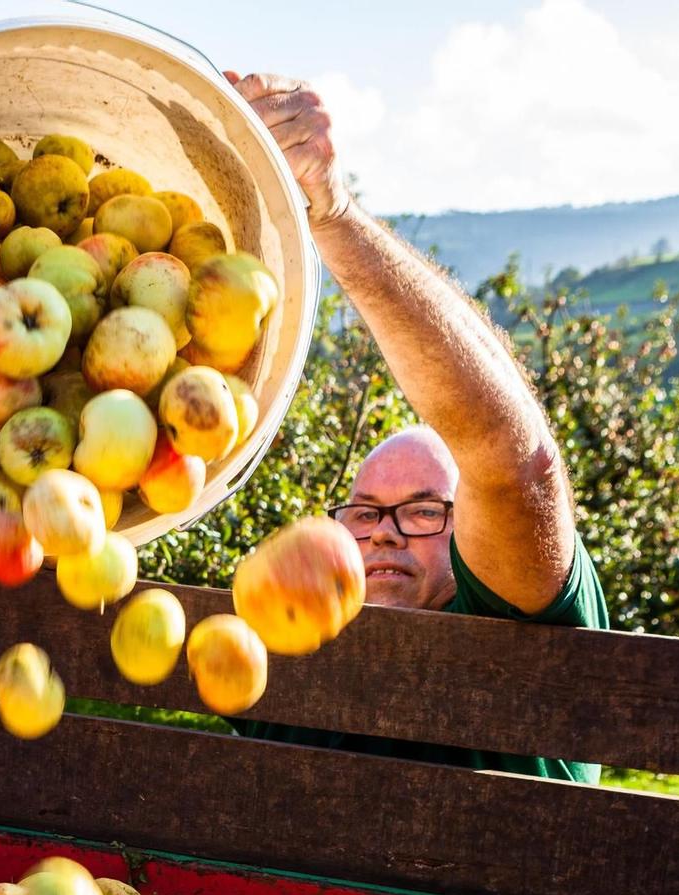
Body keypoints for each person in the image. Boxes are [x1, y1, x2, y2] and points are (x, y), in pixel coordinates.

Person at [225, 72, 610, 782]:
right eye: (365, 511)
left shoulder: (513, 631)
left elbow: (510, 459)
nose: (382, 532)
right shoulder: (288, 659)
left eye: (425, 511)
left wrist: (334, 216)